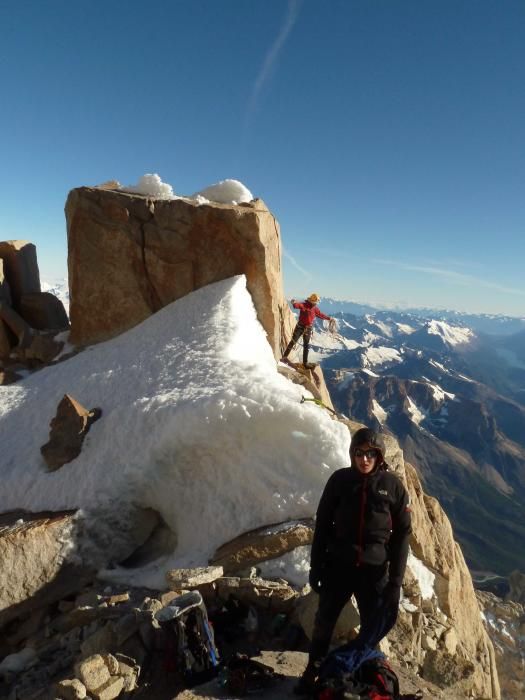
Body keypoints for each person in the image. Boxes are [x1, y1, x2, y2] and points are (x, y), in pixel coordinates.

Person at [294, 427, 412, 695]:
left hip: (374, 572)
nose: (364, 459)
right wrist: (316, 566)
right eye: (359, 453)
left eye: (370, 453)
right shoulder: (340, 481)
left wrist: (395, 582)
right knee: (324, 621)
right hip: (339, 566)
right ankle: (313, 670)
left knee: (372, 627)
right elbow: (323, 524)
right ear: (352, 454)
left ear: (379, 456)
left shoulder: (392, 487)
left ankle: (356, 673)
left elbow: (402, 535)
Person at [282, 294, 332, 368]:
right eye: (315, 302)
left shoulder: (315, 308)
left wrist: (329, 318)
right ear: (311, 301)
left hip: (307, 328)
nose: (315, 304)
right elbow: (297, 305)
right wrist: (293, 303)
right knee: (293, 341)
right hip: (301, 327)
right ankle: (284, 357)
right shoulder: (304, 305)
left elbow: (320, 314)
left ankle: (305, 363)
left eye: (316, 302)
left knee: (306, 345)